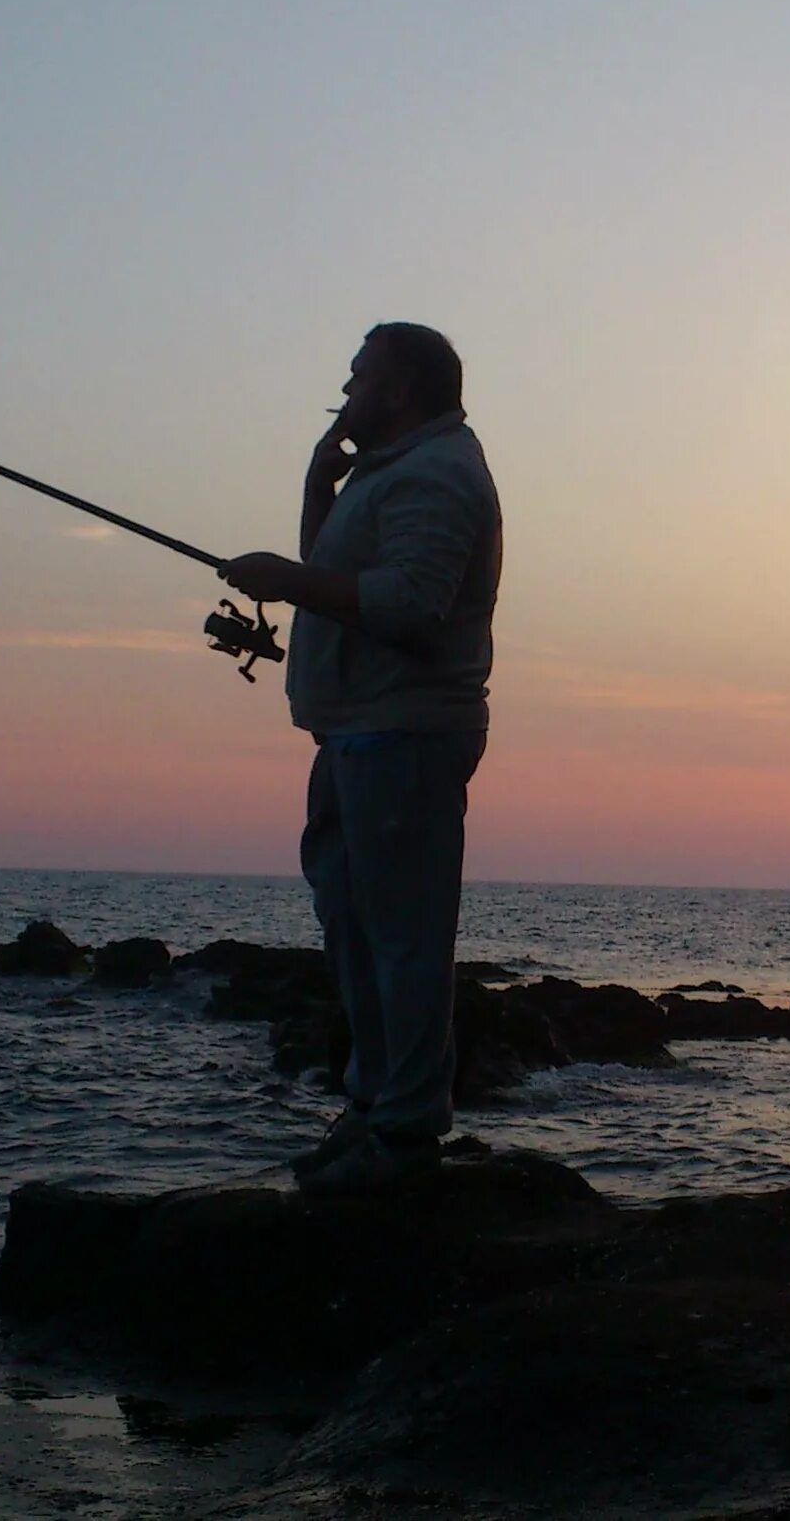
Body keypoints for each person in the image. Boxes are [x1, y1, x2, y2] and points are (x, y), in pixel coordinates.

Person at [218, 323, 501, 1191]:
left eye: (358, 375)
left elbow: (411, 605)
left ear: (401, 390)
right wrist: (314, 488)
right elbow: (333, 574)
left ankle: (407, 1129)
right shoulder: (387, 475)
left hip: (406, 736)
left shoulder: (439, 475)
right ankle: (374, 1103)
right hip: (353, 734)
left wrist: (285, 580)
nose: (343, 389)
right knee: (353, 929)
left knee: (405, 939)